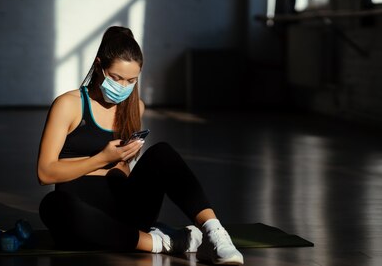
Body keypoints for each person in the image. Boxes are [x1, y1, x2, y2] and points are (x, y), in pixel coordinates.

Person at [37, 26, 244, 265]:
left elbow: (123, 171)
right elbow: (45, 172)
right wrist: (102, 159)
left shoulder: (135, 107)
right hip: (83, 212)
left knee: (162, 153)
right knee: (52, 206)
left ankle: (215, 233)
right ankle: (162, 242)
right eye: (116, 78)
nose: (123, 86)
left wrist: (113, 164)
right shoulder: (68, 105)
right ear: (98, 65)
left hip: (125, 211)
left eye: (131, 80)